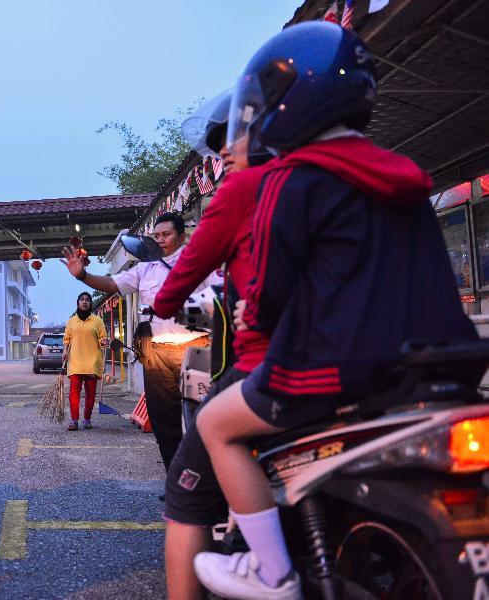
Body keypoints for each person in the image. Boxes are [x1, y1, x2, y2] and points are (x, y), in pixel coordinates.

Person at [191, 22, 479, 600]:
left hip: (328, 369)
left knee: (214, 425)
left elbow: (269, 294)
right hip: (439, 366)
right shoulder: (406, 179)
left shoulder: (291, 182)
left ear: (281, 105)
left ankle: (271, 570)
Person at [151, 92, 274, 600]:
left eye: (233, 139)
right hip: (185, 351)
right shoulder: (351, 181)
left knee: (195, 463)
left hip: (254, 358)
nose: (222, 153)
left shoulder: (247, 191)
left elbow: (174, 298)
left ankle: (271, 562)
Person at [62, 213, 209, 475]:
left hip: (196, 349)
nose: (160, 240)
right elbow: (111, 283)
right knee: (164, 420)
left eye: (166, 235)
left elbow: (219, 300)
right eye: (156, 236)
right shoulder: (144, 269)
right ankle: (176, 479)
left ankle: (205, 480)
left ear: (182, 237)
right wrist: (82, 275)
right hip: (158, 353)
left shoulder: (201, 261)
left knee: (203, 417)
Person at [62, 292, 107, 430]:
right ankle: (74, 420)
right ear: (78, 302)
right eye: (82, 299)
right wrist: (64, 351)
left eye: (87, 300)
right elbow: (66, 339)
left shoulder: (97, 321)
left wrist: (103, 341)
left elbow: (102, 338)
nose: (84, 302)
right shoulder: (71, 321)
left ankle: (87, 419)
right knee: (74, 393)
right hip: (75, 361)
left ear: (90, 303)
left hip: (92, 362)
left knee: (90, 393)